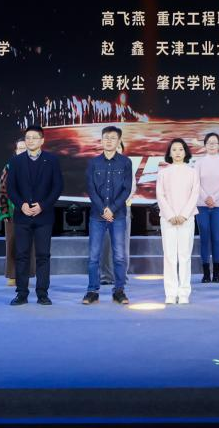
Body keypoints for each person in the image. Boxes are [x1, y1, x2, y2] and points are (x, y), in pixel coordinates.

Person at [8, 125, 64, 305]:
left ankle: (42, 294)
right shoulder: (16, 161)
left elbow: (57, 186)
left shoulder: (52, 160)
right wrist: (21, 205)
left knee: (43, 255)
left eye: (34, 137)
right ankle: (21, 294)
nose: (30, 140)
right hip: (22, 215)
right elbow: (11, 188)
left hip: (44, 216)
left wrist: (43, 205)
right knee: (21, 255)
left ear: (42, 140)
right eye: (27, 137)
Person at [83, 125, 132, 305]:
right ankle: (92, 291)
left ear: (119, 141)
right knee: (93, 256)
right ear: (101, 140)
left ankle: (119, 290)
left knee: (119, 255)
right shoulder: (93, 163)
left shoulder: (125, 162)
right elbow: (91, 188)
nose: (109, 141)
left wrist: (112, 208)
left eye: (113, 138)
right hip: (97, 215)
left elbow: (126, 189)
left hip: (118, 215)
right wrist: (103, 209)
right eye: (106, 138)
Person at [157, 138, 201, 304]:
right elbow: (160, 195)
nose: (177, 152)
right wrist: (170, 215)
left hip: (186, 219)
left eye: (180, 149)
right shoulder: (163, 173)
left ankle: (183, 293)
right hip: (167, 219)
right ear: (169, 153)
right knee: (169, 256)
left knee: (184, 256)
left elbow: (194, 194)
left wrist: (183, 215)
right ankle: (170, 292)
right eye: (174, 149)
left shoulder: (192, 172)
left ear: (185, 152)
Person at [99, 137, 136, 286]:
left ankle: (121, 277)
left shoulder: (127, 166)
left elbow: (131, 189)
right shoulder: (100, 165)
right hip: (104, 210)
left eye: (119, 148)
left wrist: (115, 206)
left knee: (122, 245)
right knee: (106, 244)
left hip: (123, 209)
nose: (116, 150)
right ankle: (106, 276)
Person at [195, 132, 219, 283]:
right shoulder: (199, 163)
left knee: (216, 238)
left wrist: (213, 198)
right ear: (205, 145)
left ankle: (216, 273)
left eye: (215, 142)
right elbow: (196, 183)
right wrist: (206, 197)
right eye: (209, 142)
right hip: (201, 206)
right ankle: (205, 274)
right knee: (204, 238)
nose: (212, 145)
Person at [0, 140, 29, 287]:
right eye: (20, 148)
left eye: (25, 148)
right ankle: (12, 275)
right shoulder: (9, 167)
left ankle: (26, 274)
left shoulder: (35, 166)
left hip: (30, 212)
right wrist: (4, 212)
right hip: (12, 212)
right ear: (15, 151)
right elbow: (2, 190)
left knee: (28, 244)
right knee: (12, 243)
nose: (22, 150)